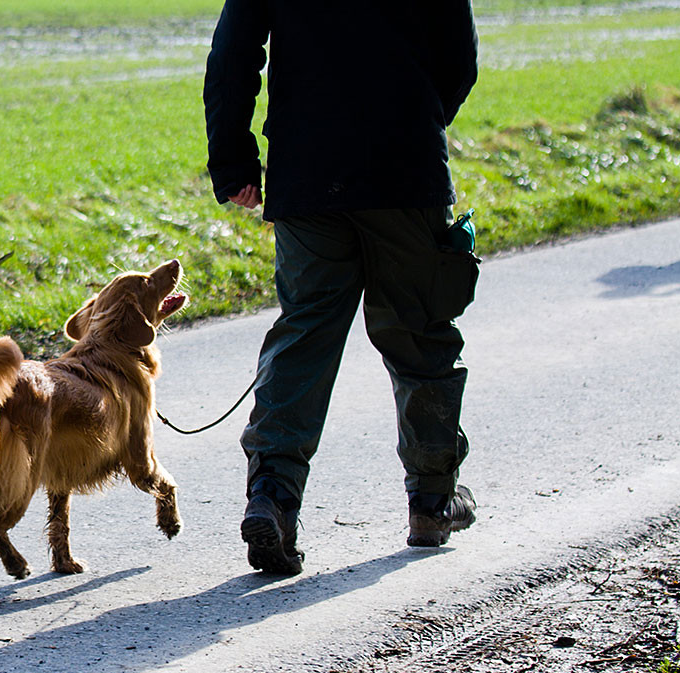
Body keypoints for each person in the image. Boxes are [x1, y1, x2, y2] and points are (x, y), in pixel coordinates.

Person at [203, 1, 481, 575]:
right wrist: (420, 118)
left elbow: (233, 53)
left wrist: (233, 161)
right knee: (420, 330)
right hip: (405, 167)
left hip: (307, 169)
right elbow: (459, 56)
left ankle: (273, 497)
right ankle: (432, 501)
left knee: (304, 334)